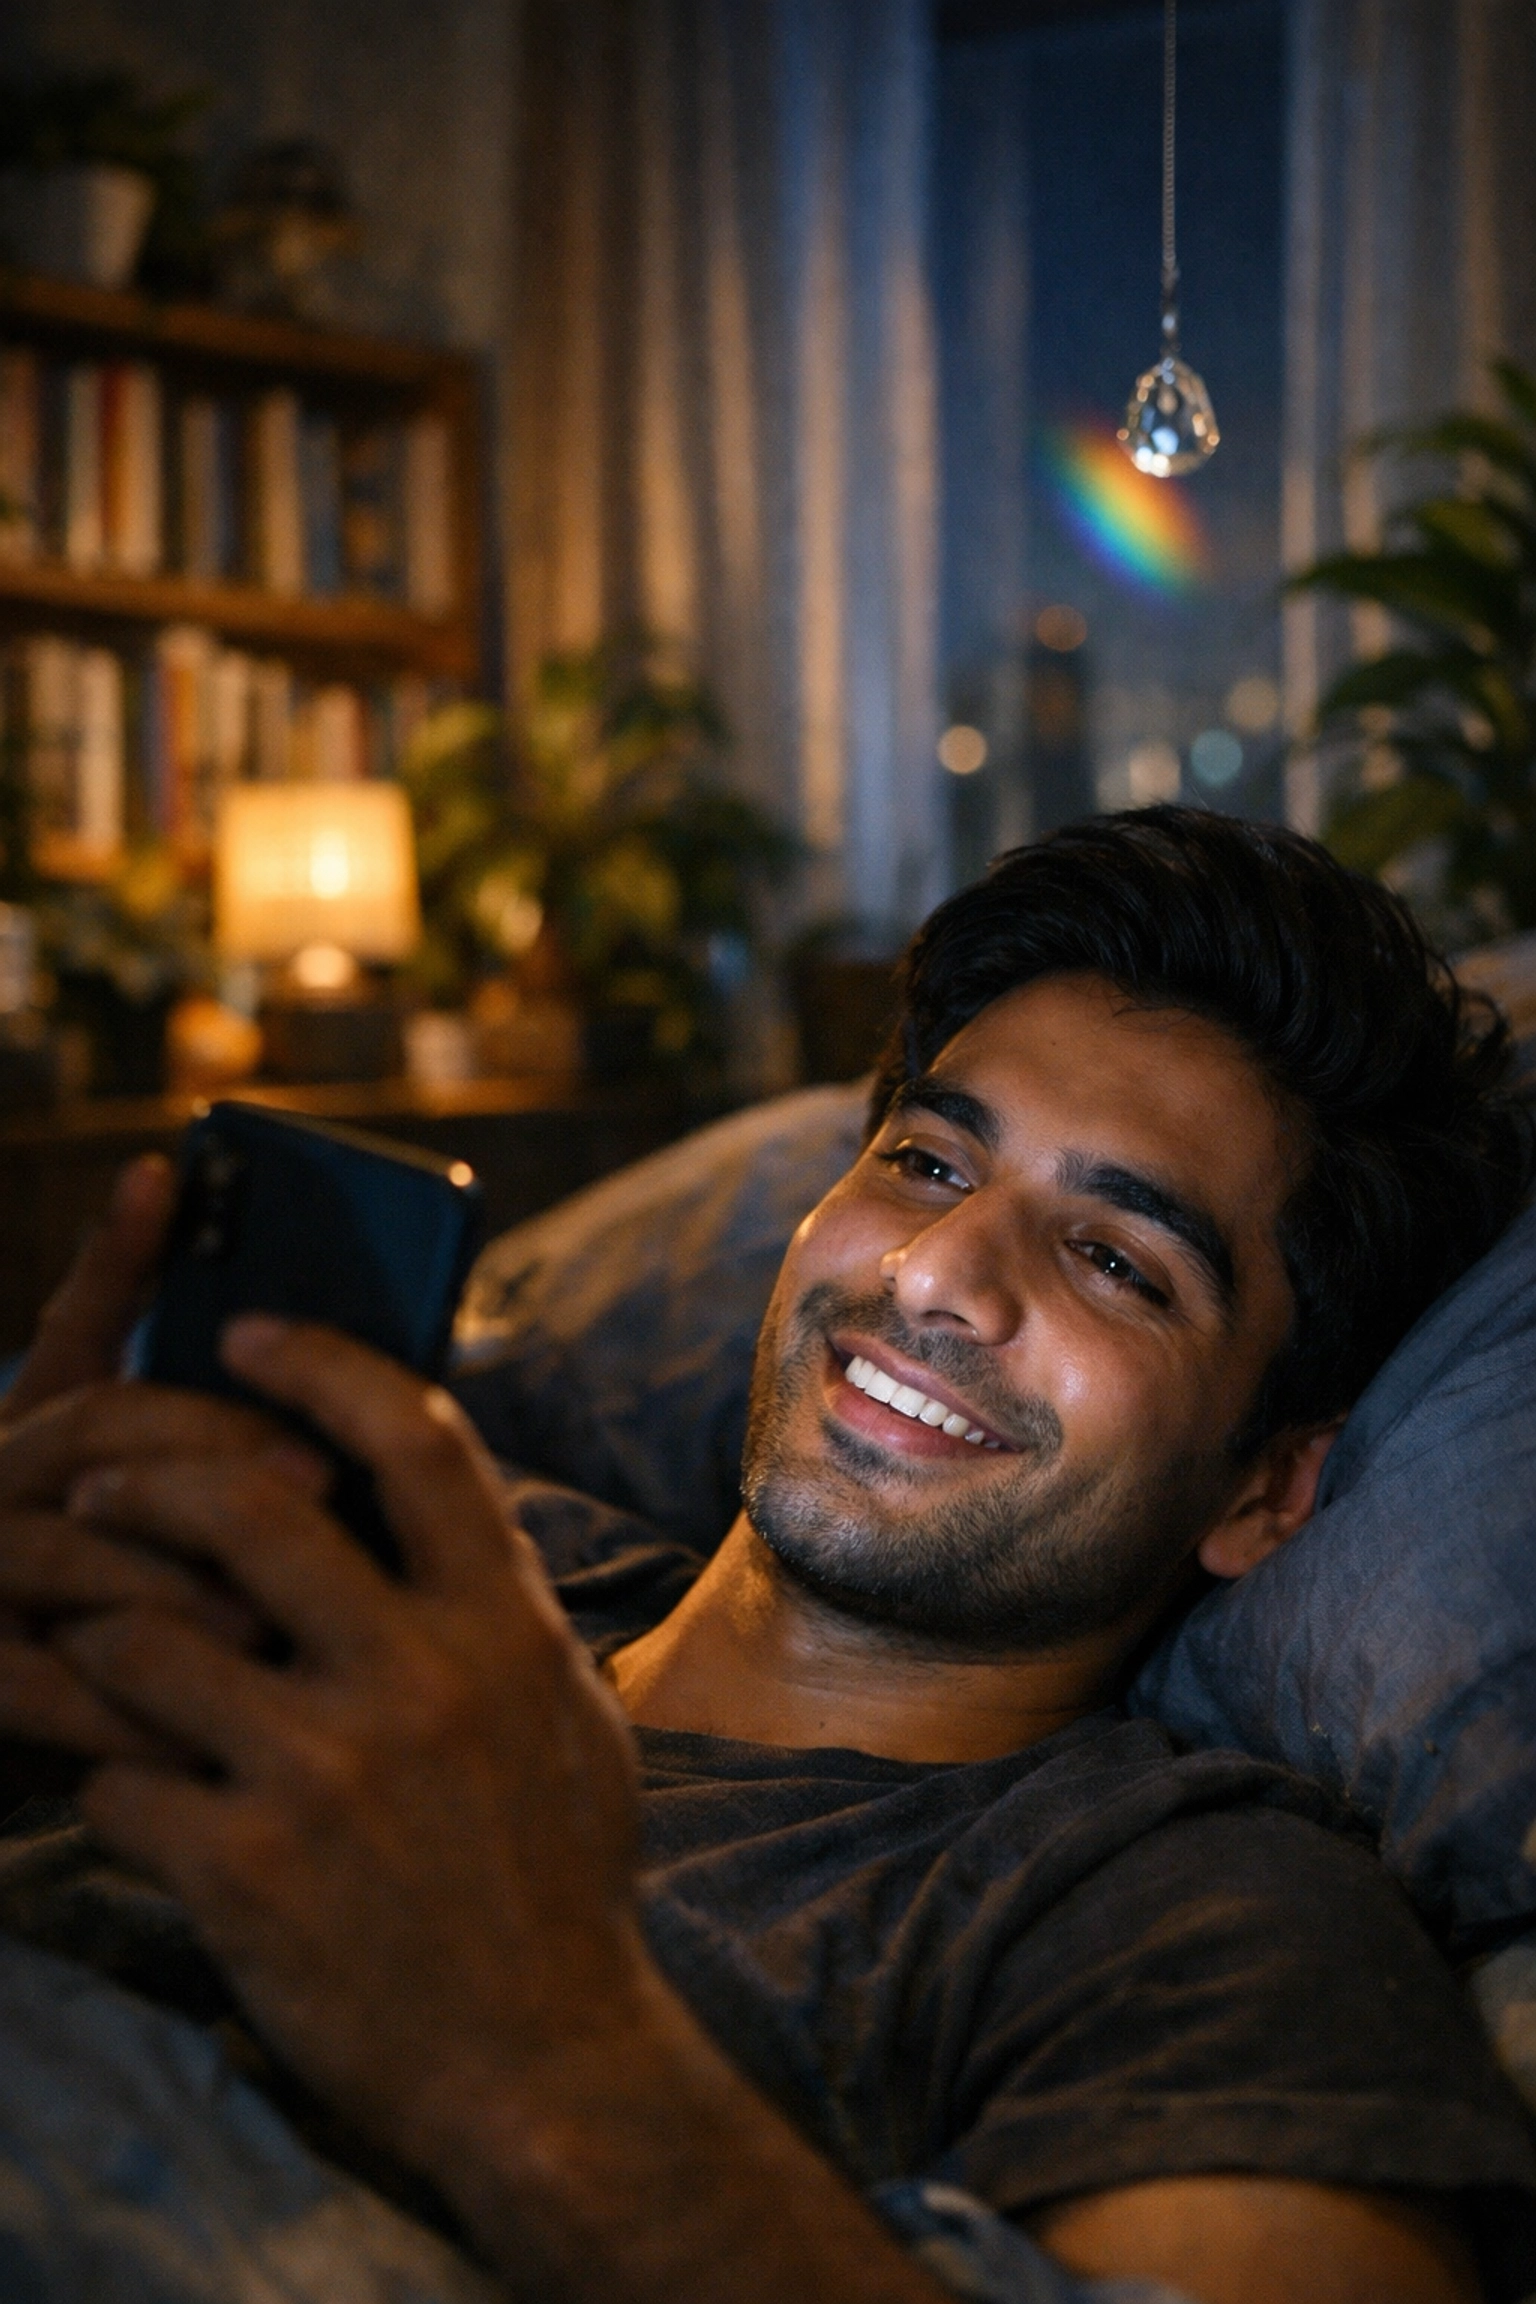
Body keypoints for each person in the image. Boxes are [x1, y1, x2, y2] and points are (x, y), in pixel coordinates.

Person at [0, 807, 1532, 2304]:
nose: (937, 1275)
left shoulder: (1183, 1908)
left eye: (1116, 1260)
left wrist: (525, 2044)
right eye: (928, 1163)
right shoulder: (444, 1540)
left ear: (1265, 1490)